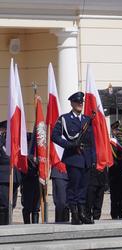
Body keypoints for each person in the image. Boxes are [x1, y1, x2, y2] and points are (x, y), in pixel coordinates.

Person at [51, 91, 96, 225]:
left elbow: (92, 140)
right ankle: (75, 214)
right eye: (77, 102)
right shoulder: (64, 119)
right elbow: (55, 136)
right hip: (74, 157)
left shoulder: (87, 119)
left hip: (86, 157)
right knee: (74, 186)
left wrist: (93, 158)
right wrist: (69, 145)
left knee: (84, 186)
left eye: (81, 102)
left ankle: (82, 213)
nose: (80, 104)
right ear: (71, 103)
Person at [0, 120, 21, 225]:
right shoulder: (1, 142)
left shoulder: (16, 142)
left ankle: (8, 225)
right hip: (3, 177)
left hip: (15, 176)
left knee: (11, 204)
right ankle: (3, 228)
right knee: (4, 204)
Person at [109, 121, 122, 220]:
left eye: (119, 130)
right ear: (113, 131)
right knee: (115, 195)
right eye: (116, 130)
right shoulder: (111, 142)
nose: (118, 131)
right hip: (114, 172)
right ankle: (114, 214)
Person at [21, 132, 40, 224]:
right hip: (27, 181)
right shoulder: (24, 154)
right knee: (27, 207)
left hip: (38, 180)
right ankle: (27, 225)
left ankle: (35, 227)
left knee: (36, 208)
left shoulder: (39, 153)